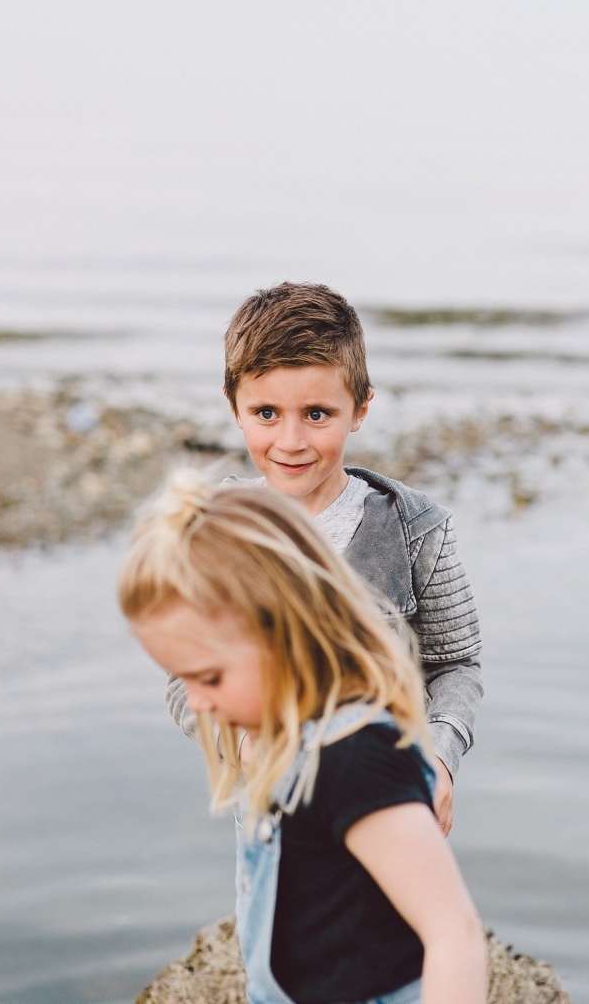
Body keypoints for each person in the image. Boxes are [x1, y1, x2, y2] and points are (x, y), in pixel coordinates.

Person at [119, 471, 488, 1004]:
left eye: (210, 678)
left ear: (282, 631)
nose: (196, 704)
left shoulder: (357, 756)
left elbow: (454, 933)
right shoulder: (284, 747)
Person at [167, 281, 483, 835]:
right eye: (266, 412)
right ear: (233, 407)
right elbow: (186, 679)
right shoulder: (214, 534)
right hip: (269, 820)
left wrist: (438, 761)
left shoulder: (415, 531)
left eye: (317, 414)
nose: (290, 441)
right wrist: (241, 742)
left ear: (359, 408)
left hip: (391, 810)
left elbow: (456, 664)